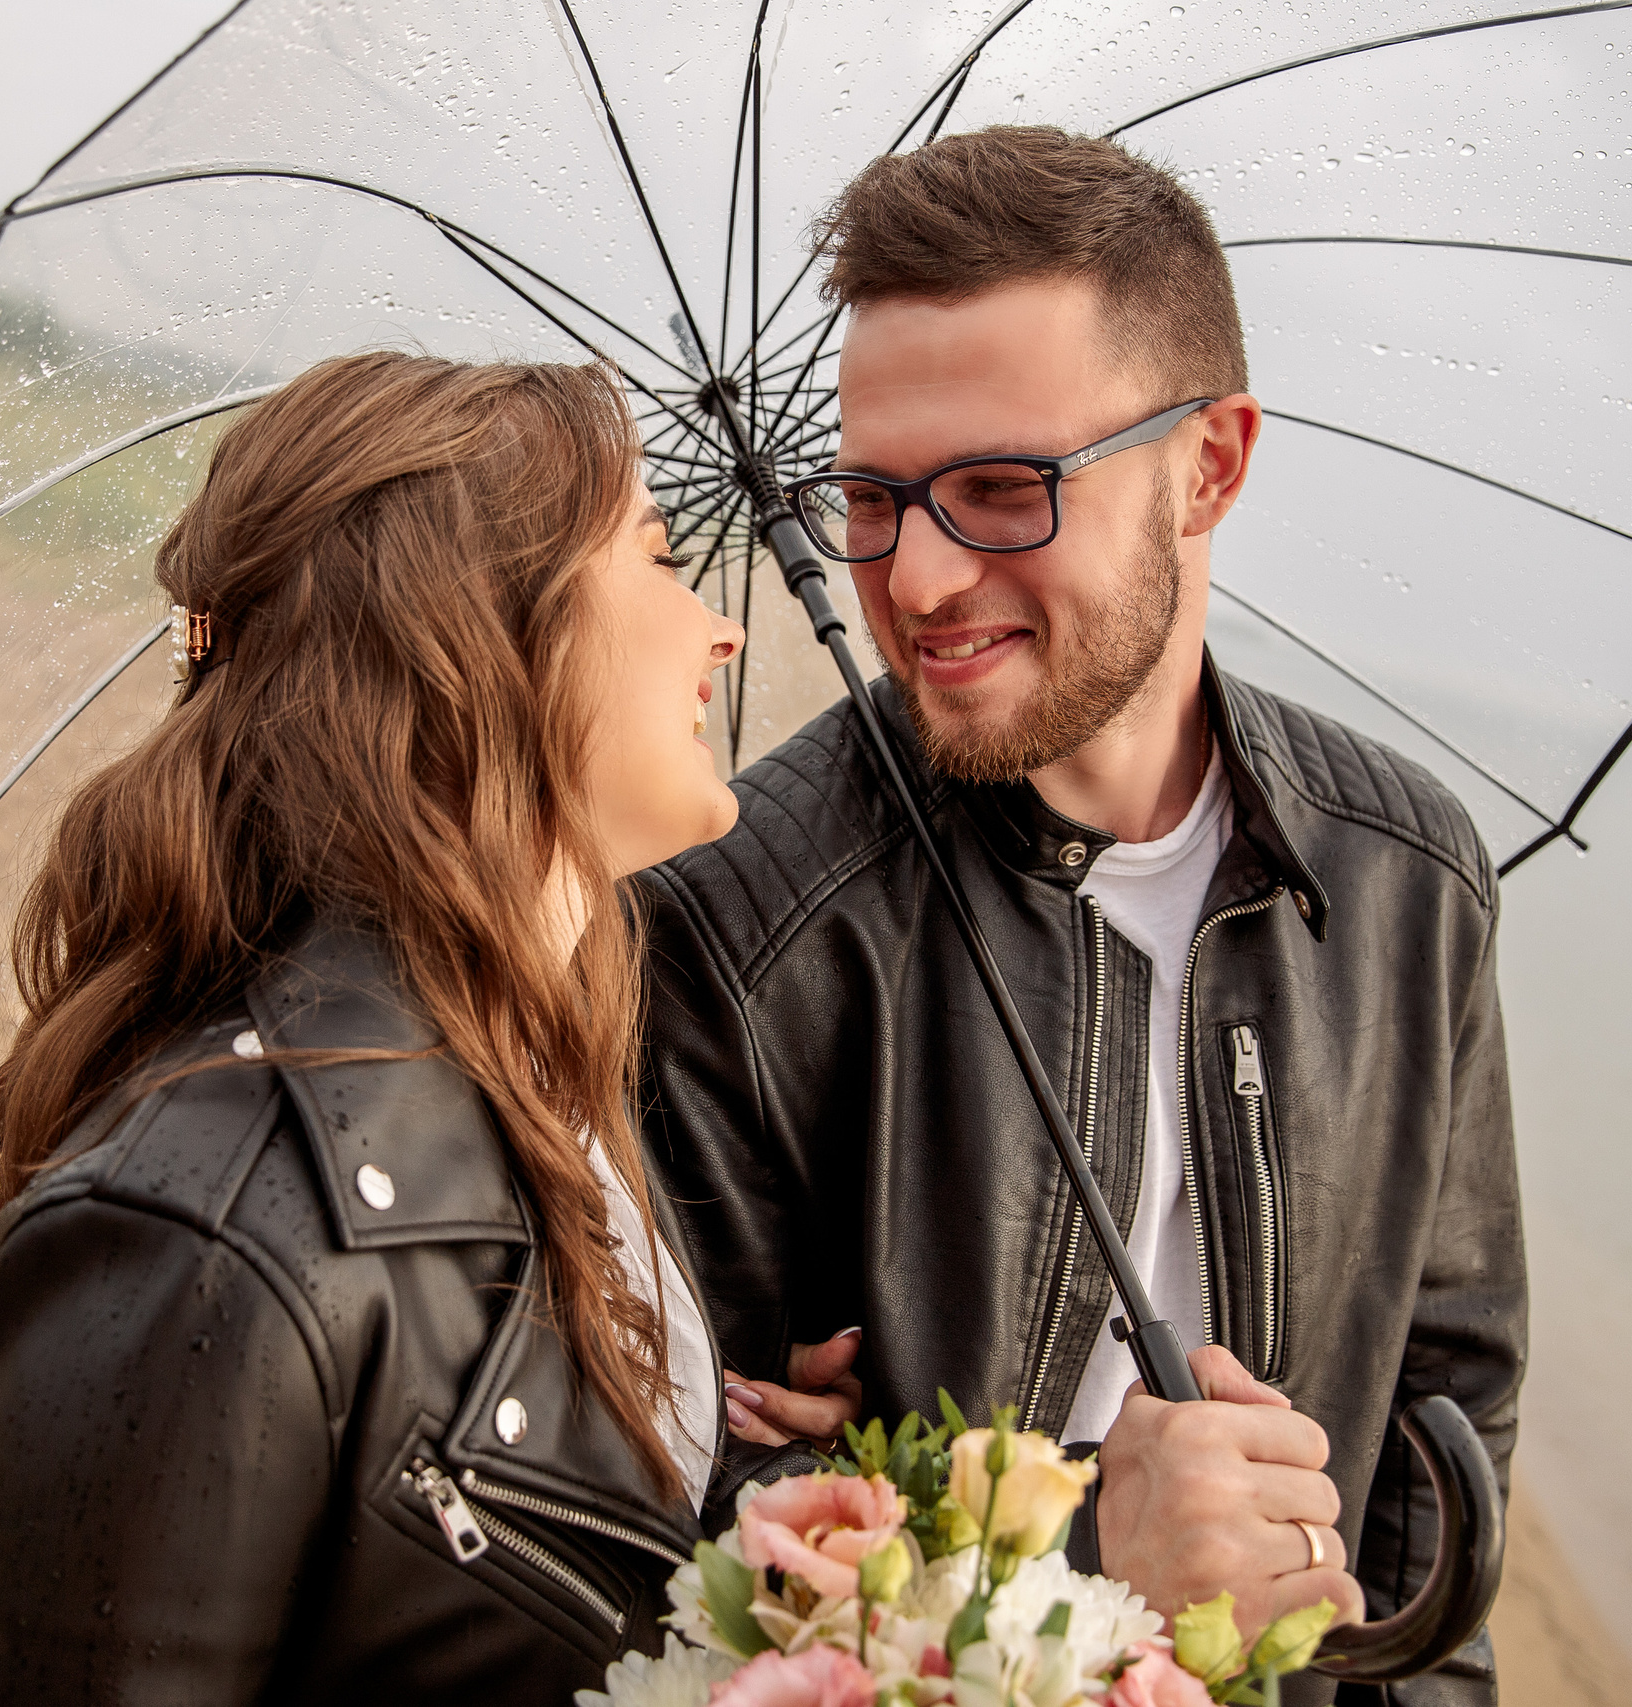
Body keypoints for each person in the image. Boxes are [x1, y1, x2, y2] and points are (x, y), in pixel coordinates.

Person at [641, 128, 1525, 1706]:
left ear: (1213, 466)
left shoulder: (1410, 878)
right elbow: (679, 1538)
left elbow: (1445, 1440)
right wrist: (1085, 1572)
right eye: (870, 495)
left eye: (1000, 490)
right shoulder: (742, 929)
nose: (910, 582)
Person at [0, 350, 750, 1704]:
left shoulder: (531, 1079)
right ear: (477, 630)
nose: (724, 628)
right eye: (657, 559)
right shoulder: (202, 1239)